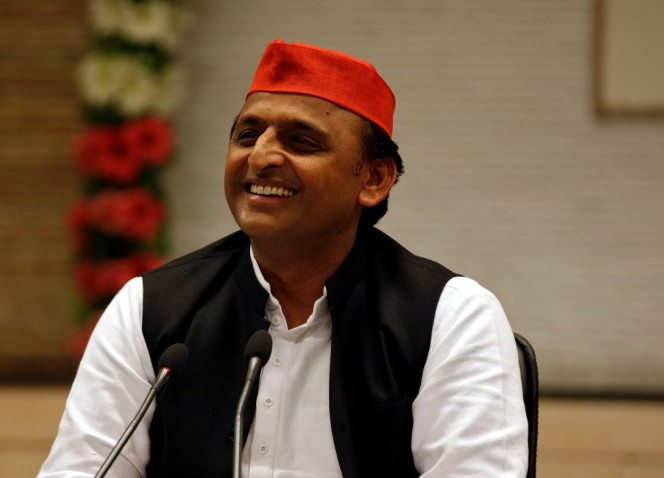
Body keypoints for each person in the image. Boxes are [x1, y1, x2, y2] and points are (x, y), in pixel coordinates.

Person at [39, 39, 528, 477]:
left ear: (374, 179)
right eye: (247, 136)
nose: (261, 157)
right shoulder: (151, 308)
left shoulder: (450, 316)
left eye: (301, 141)